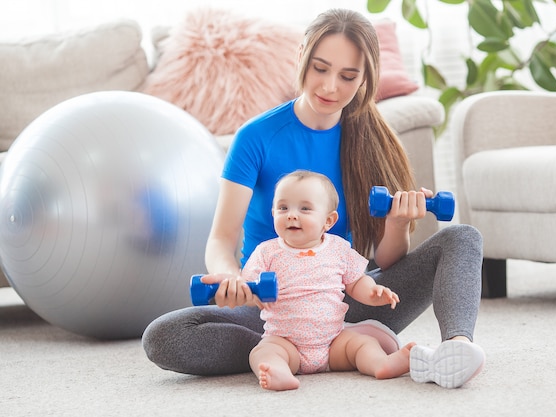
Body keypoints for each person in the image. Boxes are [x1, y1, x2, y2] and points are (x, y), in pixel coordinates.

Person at [142, 8, 485, 389]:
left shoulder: (372, 140)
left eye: (348, 76)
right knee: (164, 335)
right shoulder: (256, 137)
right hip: (269, 309)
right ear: (302, 55)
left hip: (349, 300)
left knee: (462, 237)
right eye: (320, 68)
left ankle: (456, 348)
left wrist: (398, 223)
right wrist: (230, 278)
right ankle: (292, 349)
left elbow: (385, 261)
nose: (331, 87)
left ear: (366, 78)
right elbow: (222, 238)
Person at [243, 170, 414, 391]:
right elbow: (246, 284)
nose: (292, 215)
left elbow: (356, 282)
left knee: (362, 343)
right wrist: (249, 292)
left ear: (329, 221)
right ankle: (279, 372)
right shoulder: (267, 252)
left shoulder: (338, 248)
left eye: (305, 208)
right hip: (285, 341)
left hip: (333, 341)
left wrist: (373, 292)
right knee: (262, 352)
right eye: (283, 208)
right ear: (273, 212)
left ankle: (381, 364)